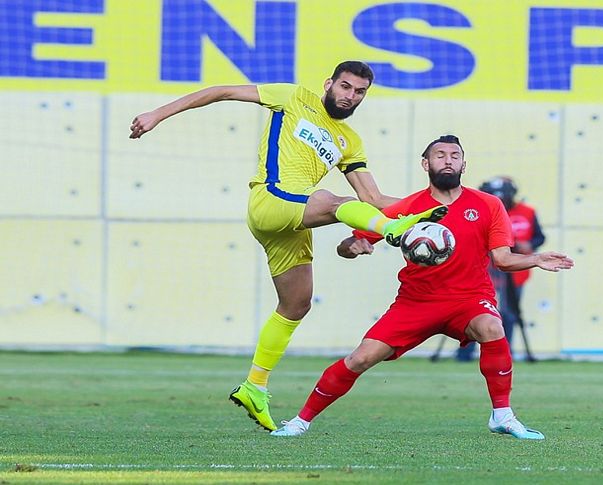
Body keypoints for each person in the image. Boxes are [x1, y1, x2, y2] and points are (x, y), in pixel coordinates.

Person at [128, 61, 447, 431]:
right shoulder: (294, 96)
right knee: (332, 201)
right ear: (329, 83)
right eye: (345, 87)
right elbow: (221, 92)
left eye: (359, 92)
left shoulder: (349, 141)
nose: (350, 96)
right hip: (271, 199)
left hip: (293, 220)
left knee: (296, 303)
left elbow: (372, 197)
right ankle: (395, 234)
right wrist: (157, 114)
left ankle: (254, 386)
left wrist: (430, 207)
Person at [271, 135, 574, 439]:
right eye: (440, 155)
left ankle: (503, 415)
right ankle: (300, 421)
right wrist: (353, 246)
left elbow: (503, 260)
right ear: (425, 164)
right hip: (415, 303)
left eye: (455, 155)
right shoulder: (408, 208)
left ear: (464, 164)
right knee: (361, 358)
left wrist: (536, 258)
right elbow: (351, 242)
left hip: (468, 299)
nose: (448, 160)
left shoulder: (488, 205)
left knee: (493, 329)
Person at [456, 176, 545, 362]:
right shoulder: (479, 211)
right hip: (483, 270)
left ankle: (504, 352)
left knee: (508, 313)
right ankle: (465, 354)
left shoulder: (527, 212)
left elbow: (539, 237)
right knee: (473, 310)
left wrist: (529, 245)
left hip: (515, 271)